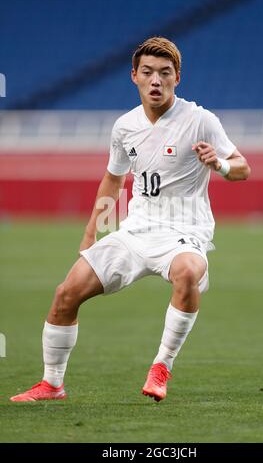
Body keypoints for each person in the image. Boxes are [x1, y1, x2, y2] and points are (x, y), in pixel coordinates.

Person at [10, 37, 250, 403]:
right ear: (134, 76)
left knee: (187, 272)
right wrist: (92, 233)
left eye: (165, 73)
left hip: (185, 232)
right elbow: (114, 178)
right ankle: (52, 384)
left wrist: (219, 164)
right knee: (66, 293)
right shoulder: (124, 127)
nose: (156, 80)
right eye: (148, 72)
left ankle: (161, 367)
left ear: (177, 78)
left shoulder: (201, 120)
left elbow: (243, 169)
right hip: (135, 231)